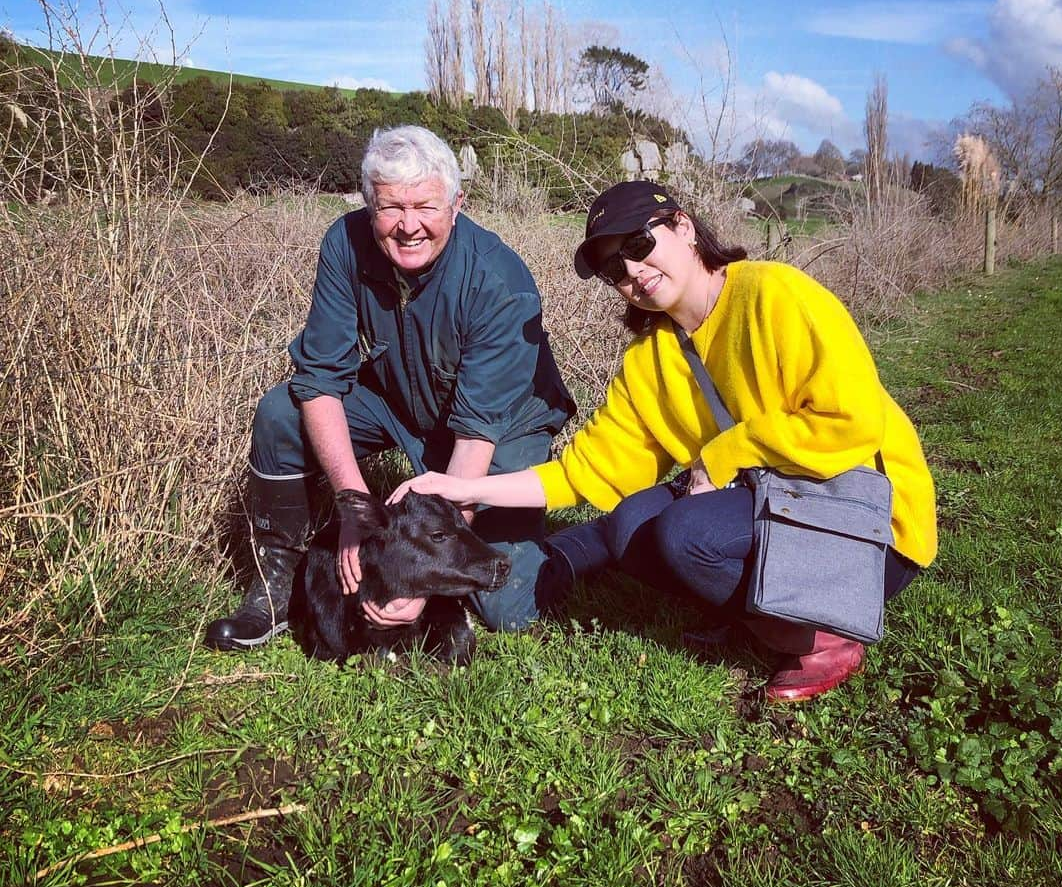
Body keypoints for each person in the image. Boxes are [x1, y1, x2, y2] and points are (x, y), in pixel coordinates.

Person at [391, 180, 937, 702]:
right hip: (778, 497)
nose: (632, 270)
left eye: (639, 243)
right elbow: (585, 472)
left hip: (869, 522)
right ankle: (768, 614)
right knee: (632, 527)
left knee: (684, 534)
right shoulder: (651, 358)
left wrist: (725, 453)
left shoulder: (775, 294)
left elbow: (852, 422)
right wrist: (461, 487)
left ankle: (822, 635)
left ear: (684, 227)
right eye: (613, 267)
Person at [206, 125, 576, 651]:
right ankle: (274, 587)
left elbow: (473, 438)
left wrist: (422, 581)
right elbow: (319, 384)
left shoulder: (498, 281)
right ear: (368, 204)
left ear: (456, 204)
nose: (408, 227)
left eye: (425, 207)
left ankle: (578, 547)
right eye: (390, 208)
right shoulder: (345, 242)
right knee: (281, 411)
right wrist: (355, 511)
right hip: (399, 403)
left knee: (505, 606)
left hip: (497, 425)